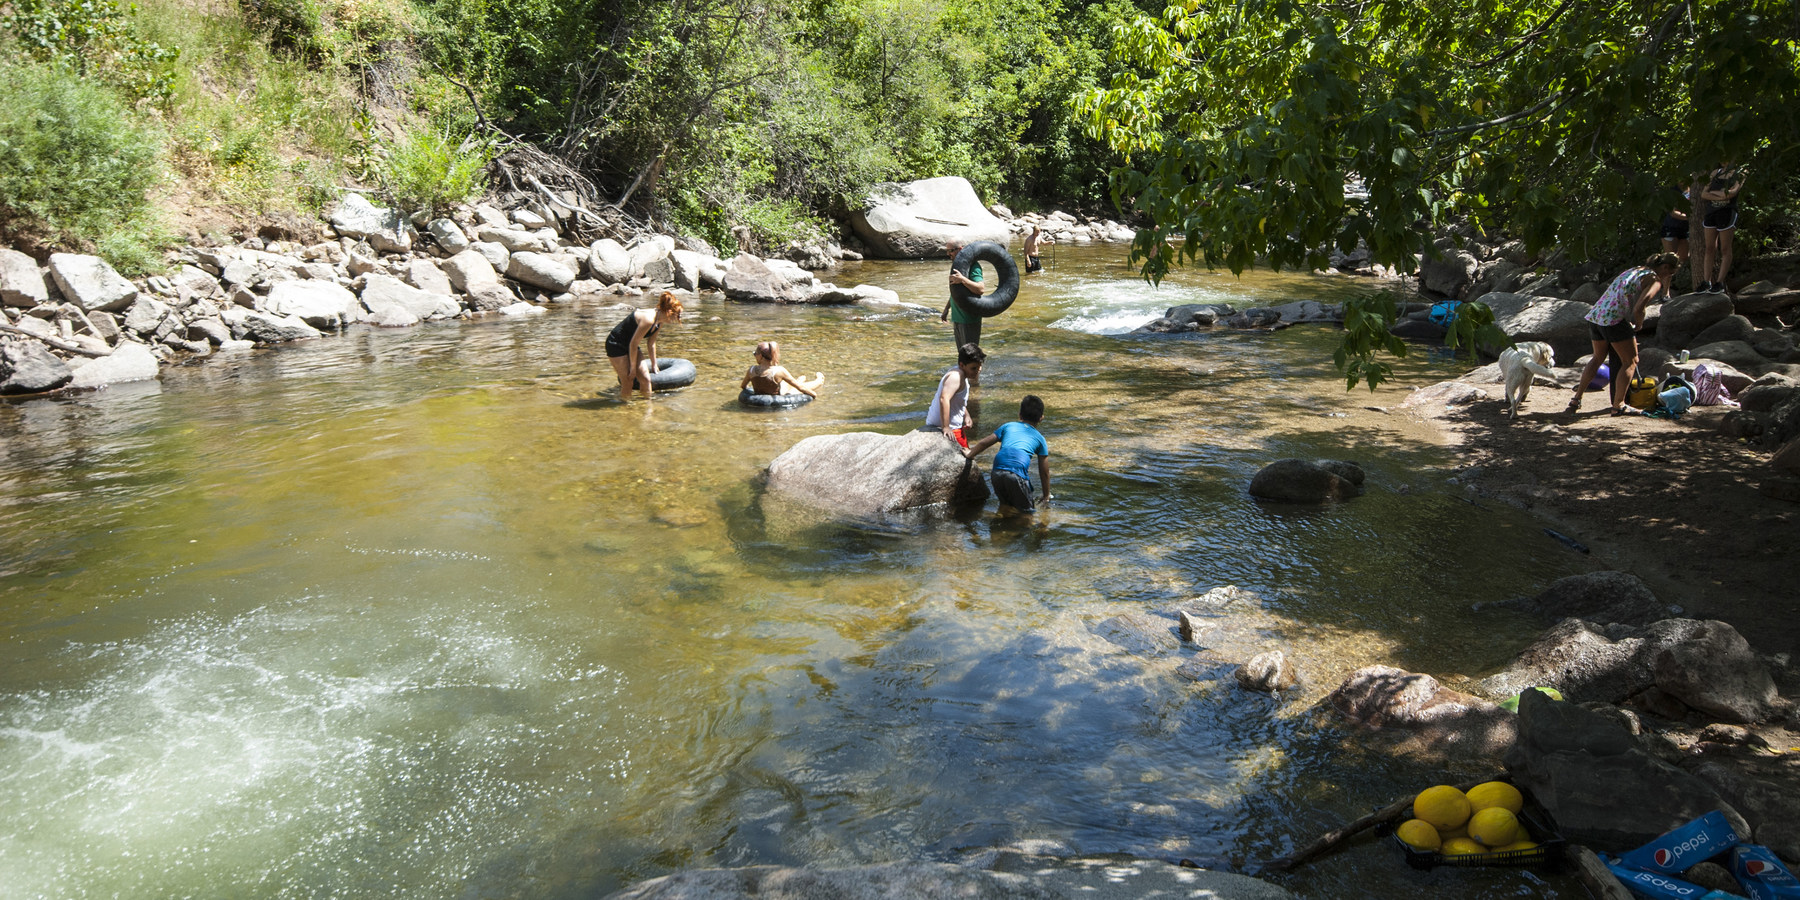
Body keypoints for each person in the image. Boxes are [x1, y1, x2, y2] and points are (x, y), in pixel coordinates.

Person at [1567, 252, 1679, 415]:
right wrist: (1639, 323)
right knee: (1631, 361)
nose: (1668, 277)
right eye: (1670, 274)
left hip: (1596, 315)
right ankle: (1618, 405)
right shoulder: (1655, 280)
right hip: (1613, 319)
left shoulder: (1636, 270)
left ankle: (1576, 399)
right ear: (1665, 267)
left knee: (1597, 358)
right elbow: (1639, 307)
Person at [964, 394, 1051, 514]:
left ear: (1020, 415)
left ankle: (1000, 531)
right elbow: (1044, 472)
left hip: (997, 472)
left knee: (1005, 506)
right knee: (1027, 513)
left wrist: (970, 454)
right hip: (1017, 475)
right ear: (1041, 418)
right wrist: (1046, 495)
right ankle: (1035, 530)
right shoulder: (1040, 439)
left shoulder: (1008, 426)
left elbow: (984, 443)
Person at [606, 291, 683, 401]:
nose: (679, 318)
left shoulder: (659, 320)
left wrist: (654, 363)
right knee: (628, 381)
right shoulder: (648, 320)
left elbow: (651, 343)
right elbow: (633, 344)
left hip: (630, 344)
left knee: (646, 379)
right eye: (678, 315)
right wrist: (633, 369)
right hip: (616, 344)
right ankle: (625, 409)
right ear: (669, 312)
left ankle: (647, 408)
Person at [925, 343, 985, 448]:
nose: (978, 371)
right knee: (967, 455)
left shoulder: (961, 374)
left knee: (968, 452)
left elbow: (957, 399)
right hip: (947, 426)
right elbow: (944, 399)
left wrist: (966, 415)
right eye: (974, 368)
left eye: (979, 367)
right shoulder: (955, 377)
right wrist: (946, 427)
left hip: (952, 425)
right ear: (962, 365)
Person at [1697, 163, 1744, 294]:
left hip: (1727, 213)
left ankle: (1719, 282)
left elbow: (1732, 193)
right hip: (1711, 212)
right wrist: (1721, 194)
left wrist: (1715, 193)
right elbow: (1704, 194)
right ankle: (1706, 282)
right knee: (1709, 247)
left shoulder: (1741, 172)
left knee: (1725, 248)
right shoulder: (1715, 173)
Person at [939, 240, 987, 354]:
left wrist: (962, 280)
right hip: (957, 318)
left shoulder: (973, 266)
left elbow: (980, 289)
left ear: (960, 249)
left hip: (969, 319)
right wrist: (947, 309)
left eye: (950, 251)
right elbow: (956, 292)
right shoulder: (958, 266)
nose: (948, 254)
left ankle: (977, 372)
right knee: (962, 355)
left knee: (971, 356)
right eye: (947, 251)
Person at [739, 341, 824, 397]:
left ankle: (810, 380)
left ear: (760, 356)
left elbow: (743, 386)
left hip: (770, 394)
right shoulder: (779, 371)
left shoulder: (751, 370)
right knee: (797, 386)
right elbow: (801, 388)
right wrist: (814, 395)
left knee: (785, 383)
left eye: (755, 354)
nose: (755, 356)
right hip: (780, 396)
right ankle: (819, 380)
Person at [1658, 184, 1691, 289]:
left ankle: (1666, 281)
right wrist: (1690, 217)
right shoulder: (1673, 190)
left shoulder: (1695, 187)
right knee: (1669, 260)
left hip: (1685, 229)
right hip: (1671, 227)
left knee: (1683, 257)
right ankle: (1664, 292)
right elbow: (1673, 212)